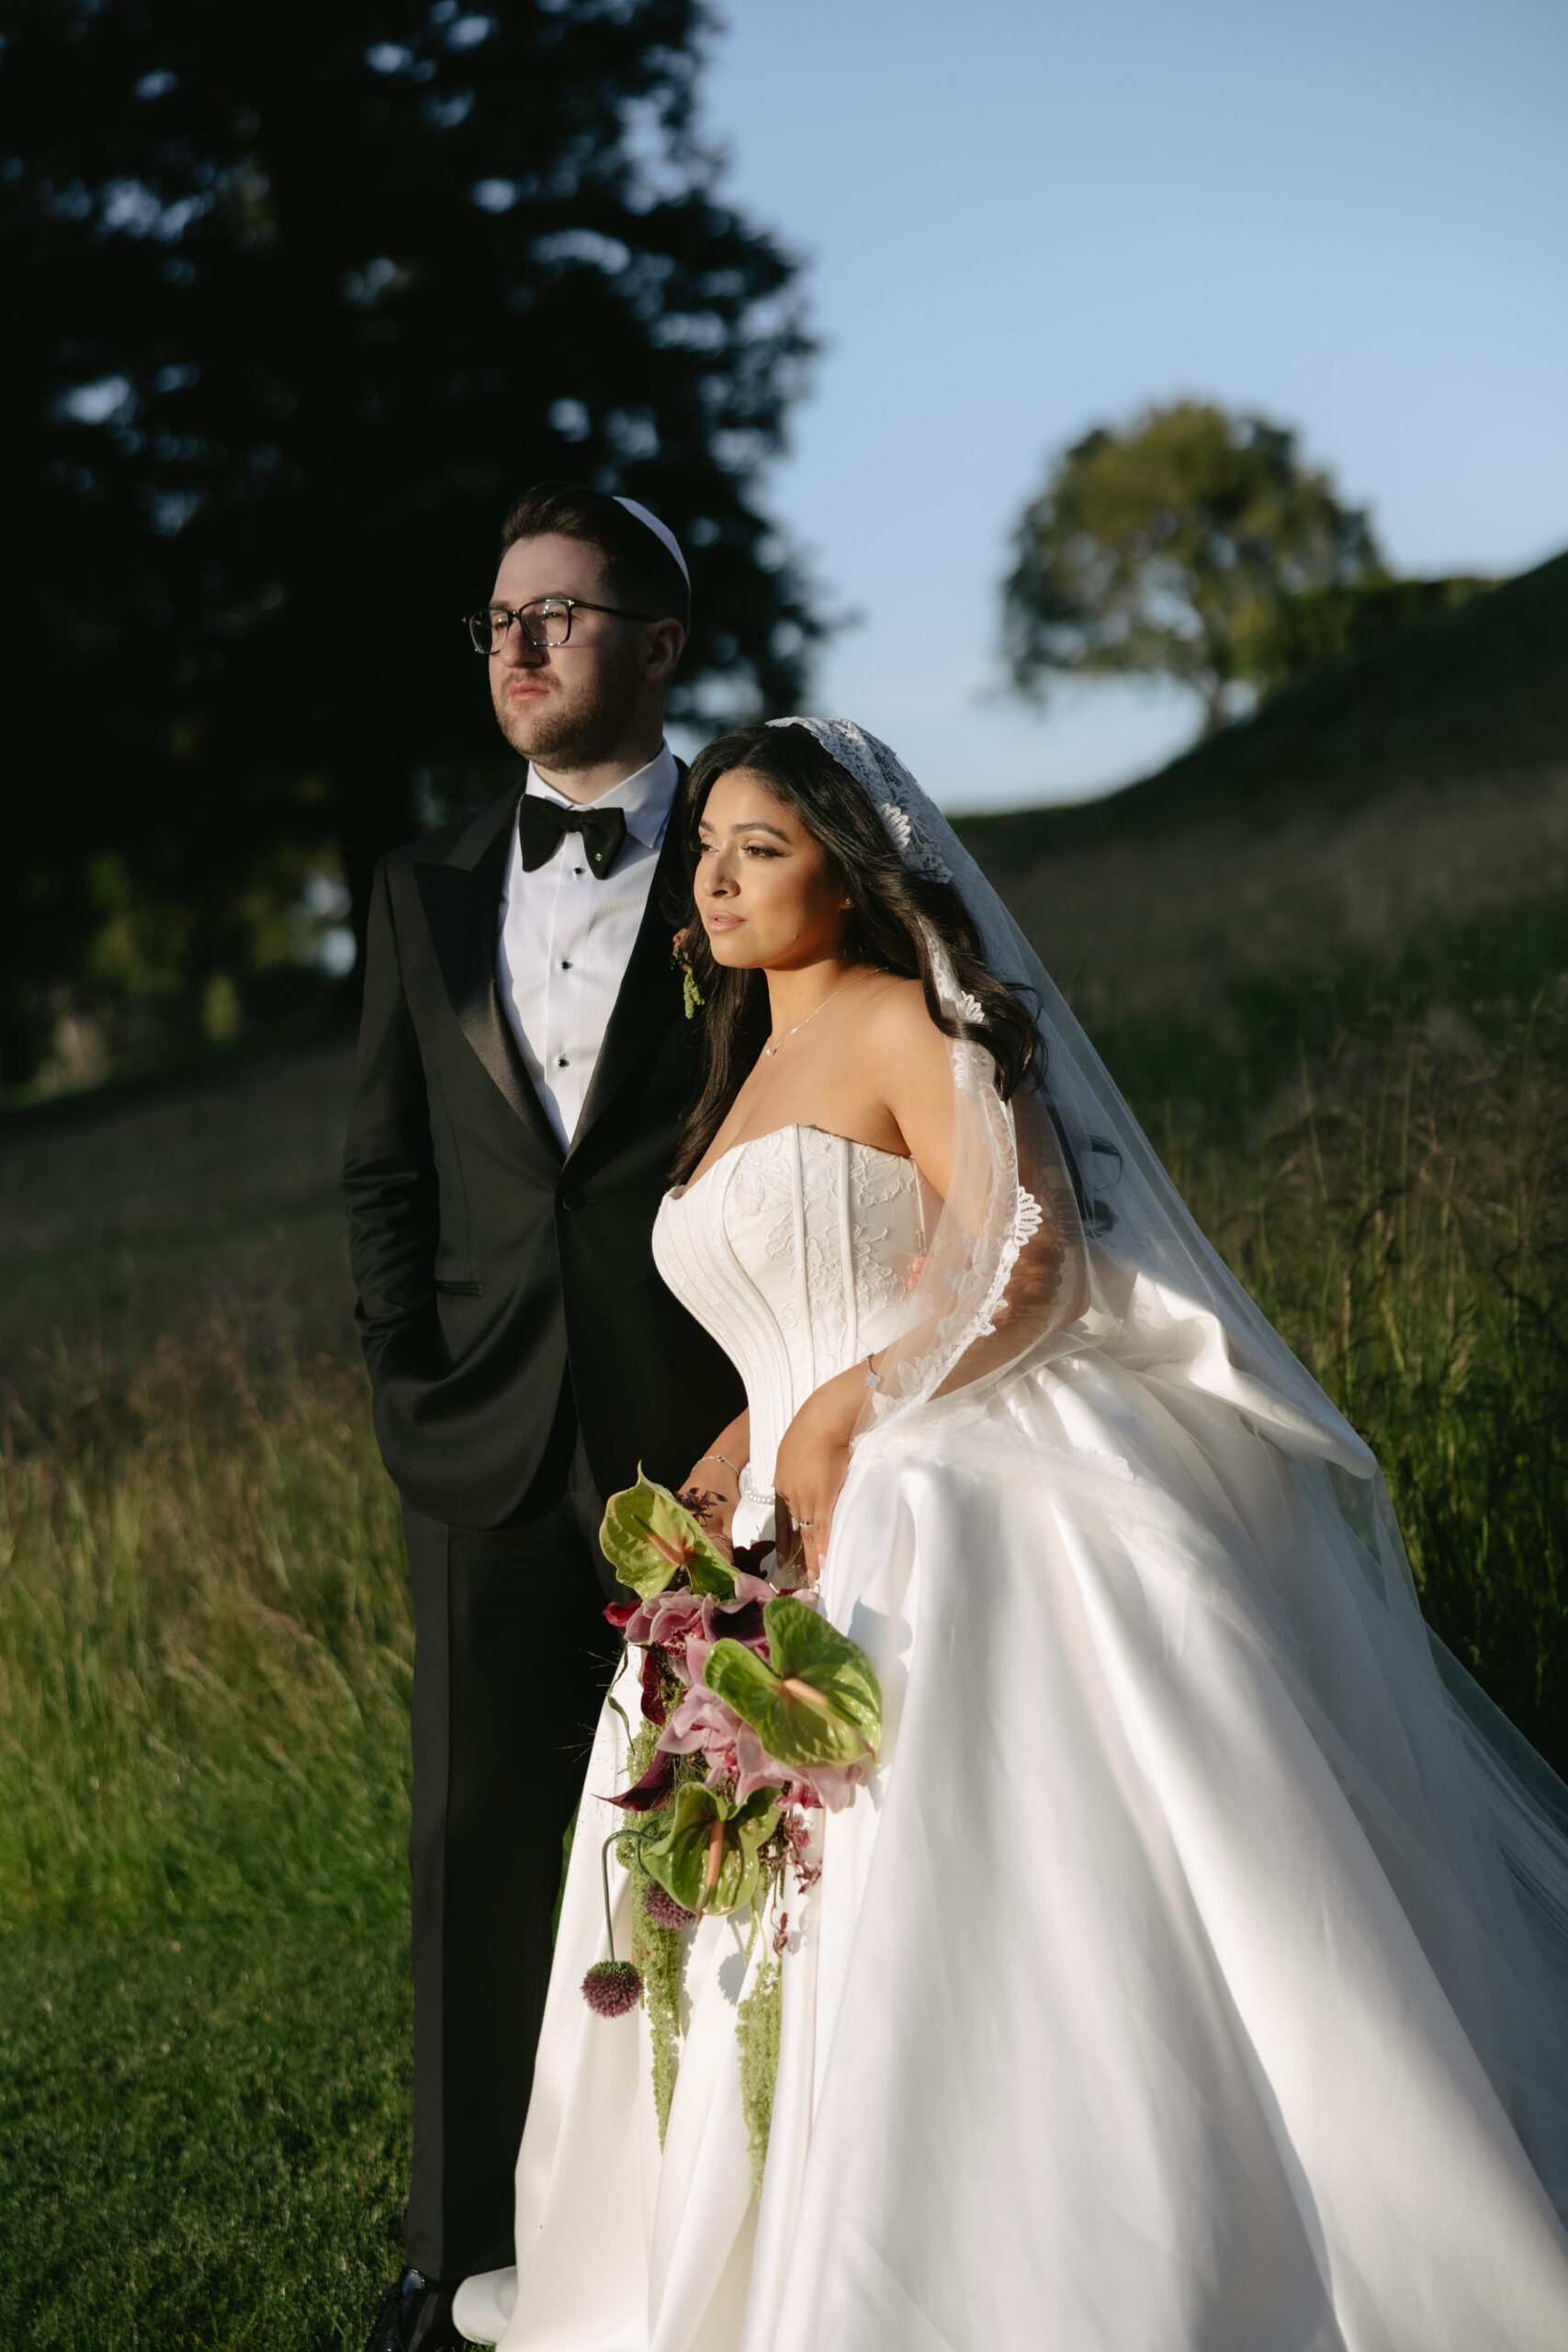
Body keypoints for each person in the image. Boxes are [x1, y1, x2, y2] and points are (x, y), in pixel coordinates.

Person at [453, 718, 1568, 2352]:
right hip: (770, 1520)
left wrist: (849, 1409)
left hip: (942, 1468)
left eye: (761, 845)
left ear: (855, 864)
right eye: (707, 850)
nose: (719, 877)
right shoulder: (743, 1063)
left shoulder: (917, 1021)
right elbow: (788, 1305)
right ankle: (747, 2241)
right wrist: (750, 1432)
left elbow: (1026, 1255)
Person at [342, 485, 744, 2352]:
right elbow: (386, 1184)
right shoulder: (418, 897)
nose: (511, 649)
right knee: (477, 1841)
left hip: (706, 1446)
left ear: (657, 643)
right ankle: (453, 2257)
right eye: (494, 619)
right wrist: (413, 1398)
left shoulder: (752, 870)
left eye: (557, 616)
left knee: (723, 1834)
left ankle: (716, 2226)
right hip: (484, 1456)